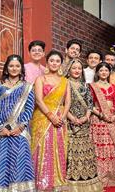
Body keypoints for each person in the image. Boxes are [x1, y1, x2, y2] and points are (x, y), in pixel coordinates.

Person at [0, 55, 35, 191]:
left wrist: (21, 126)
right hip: (1, 131)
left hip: (20, 131)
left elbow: (29, 108)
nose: (14, 68)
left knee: (21, 159)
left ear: (21, 68)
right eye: (11, 66)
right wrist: (0, 128)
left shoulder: (27, 87)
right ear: (6, 68)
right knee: (1, 160)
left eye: (17, 66)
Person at [31, 50, 71, 191]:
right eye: (51, 60)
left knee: (59, 147)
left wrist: (62, 117)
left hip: (60, 118)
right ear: (47, 62)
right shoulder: (40, 79)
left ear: (60, 64)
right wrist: (50, 116)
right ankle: (41, 181)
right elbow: (38, 100)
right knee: (43, 147)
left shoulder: (65, 81)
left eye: (57, 61)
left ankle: (57, 180)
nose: (54, 63)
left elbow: (68, 102)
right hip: (42, 116)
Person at [66, 58, 103, 191]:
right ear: (69, 70)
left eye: (79, 68)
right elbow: (62, 104)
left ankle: (88, 183)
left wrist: (86, 117)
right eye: (74, 68)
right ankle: (72, 185)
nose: (76, 71)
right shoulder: (65, 84)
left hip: (84, 124)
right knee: (71, 151)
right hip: (70, 124)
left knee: (85, 151)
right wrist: (72, 118)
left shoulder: (85, 85)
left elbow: (90, 104)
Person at [90, 62, 115, 187]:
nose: (104, 72)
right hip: (98, 120)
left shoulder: (113, 87)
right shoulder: (93, 86)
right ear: (97, 73)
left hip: (111, 119)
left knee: (112, 148)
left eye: (106, 70)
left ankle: (114, 176)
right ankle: (100, 176)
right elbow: (90, 105)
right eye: (101, 70)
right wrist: (101, 115)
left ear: (109, 72)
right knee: (100, 148)